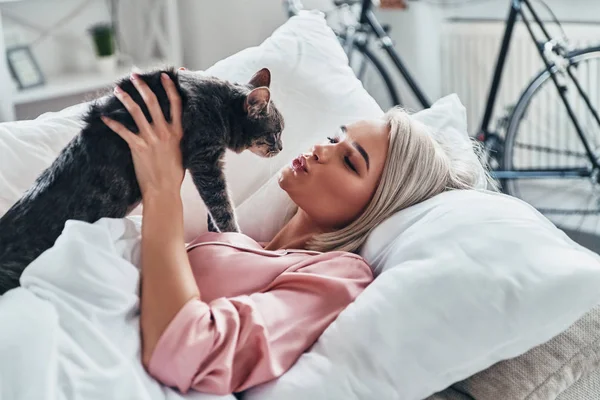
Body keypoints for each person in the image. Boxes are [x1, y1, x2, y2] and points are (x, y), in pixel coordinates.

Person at [101, 71, 487, 395]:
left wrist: (162, 190)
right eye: (337, 138)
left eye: (350, 162)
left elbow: (187, 351)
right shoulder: (251, 244)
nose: (322, 149)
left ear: (377, 206)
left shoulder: (339, 276)